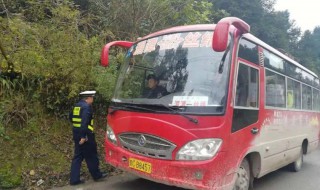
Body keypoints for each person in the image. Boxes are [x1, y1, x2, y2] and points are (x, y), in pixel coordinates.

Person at [69, 90, 107, 185]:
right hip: (86, 135)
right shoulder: (86, 107)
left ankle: (74, 179)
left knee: (78, 156)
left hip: (76, 133)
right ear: (88, 98)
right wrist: (83, 136)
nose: (93, 99)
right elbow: (84, 122)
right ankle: (97, 175)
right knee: (92, 156)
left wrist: (79, 133)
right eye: (92, 97)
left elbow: (71, 118)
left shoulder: (76, 106)